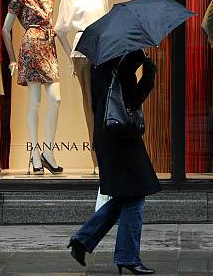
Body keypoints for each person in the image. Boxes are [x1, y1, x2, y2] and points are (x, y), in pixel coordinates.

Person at [67, 49, 160, 275]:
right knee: (136, 193)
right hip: (121, 136)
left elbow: (97, 101)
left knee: (124, 194)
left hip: (106, 132)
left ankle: (83, 240)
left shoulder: (99, 60)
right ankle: (127, 256)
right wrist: (149, 74)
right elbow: (133, 99)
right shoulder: (125, 59)